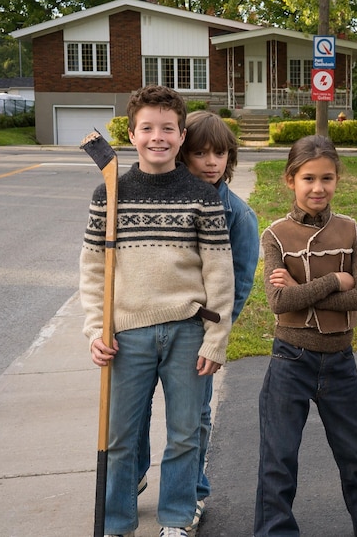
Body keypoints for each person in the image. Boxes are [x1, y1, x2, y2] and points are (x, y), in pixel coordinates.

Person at [81, 85, 234, 537]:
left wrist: (216, 337)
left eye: (168, 128)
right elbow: (93, 272)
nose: (157, 137)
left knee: (186, 434)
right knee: (122, 439)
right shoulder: (110, 192)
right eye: (147, 128)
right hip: (126, 335)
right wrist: (95, 330)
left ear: (182, 135)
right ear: (131, 134)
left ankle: (175, 520)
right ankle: (117, 522)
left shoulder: (201, 196)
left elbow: (220, 273)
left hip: (188, 331)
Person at [254, 135, 357, 537]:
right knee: (280, 455)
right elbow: (278, 302)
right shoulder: (275, 235)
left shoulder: (352, 231)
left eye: (327, 178)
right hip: (290, 357)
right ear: (291, 180)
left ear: (337, 180)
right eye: (308, 178)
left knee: (354, 452)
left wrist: (302, 290)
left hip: (340, 358)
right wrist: (333, 280)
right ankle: (275, 531)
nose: (318, 188)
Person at [134, 110, 260, 530]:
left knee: (194, 419)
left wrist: (216, 335)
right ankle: (132, 476)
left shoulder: (237, 214)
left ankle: (192, 493)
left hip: (198, 332)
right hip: (148, 324)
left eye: (220, 153)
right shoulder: (167, 200)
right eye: (201, 153)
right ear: (183, 154)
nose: (211, 162)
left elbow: (239, 283)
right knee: (133, 412)